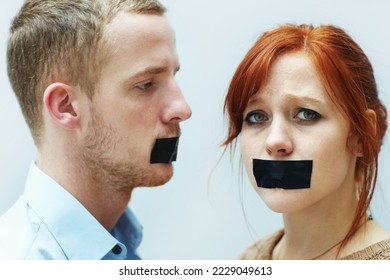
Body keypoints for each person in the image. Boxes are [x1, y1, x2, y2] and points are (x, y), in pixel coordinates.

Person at [0, 0, 191, 260]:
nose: (182, 109)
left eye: (173, 76)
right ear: (66, 106)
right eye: (146, 84)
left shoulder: (119, 240)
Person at [223, 24, 390, 259]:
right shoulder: (249, 260)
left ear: (362, 136)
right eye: (257, 117)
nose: (275, 141)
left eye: (306, 114)